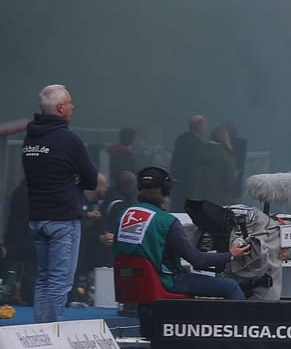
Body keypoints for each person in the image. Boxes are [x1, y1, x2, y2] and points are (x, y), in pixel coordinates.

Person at [22, 84, 103, 324]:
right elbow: (91, 180)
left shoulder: (29, 139)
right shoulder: (68, 139)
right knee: (59, 282)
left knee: (44, 279)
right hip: (63, 219)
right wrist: (73, 177)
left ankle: (40, 330)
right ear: (60, 108)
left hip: (37, 217)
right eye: (69, 103)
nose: (72, 106)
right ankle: (52, 335)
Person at [113, 167, 251, 299]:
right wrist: (231, 255)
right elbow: (198, 261)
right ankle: (244, 323)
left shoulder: (124, 214)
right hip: (166, 282)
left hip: (133, 284)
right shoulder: (166, 221)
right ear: (166, 190)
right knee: (230, 286)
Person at [169, 115, 206, 210]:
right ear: (199, 126)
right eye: (203, 125)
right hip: (189, 183)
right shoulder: (195, 144)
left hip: (180, 182)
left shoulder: (181, 140)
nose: (205, 128)